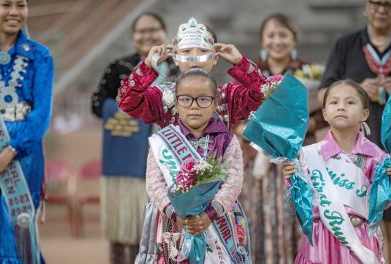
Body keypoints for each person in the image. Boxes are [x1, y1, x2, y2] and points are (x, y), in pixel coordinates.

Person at [318, 1, 391, 263]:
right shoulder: (346, 45)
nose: (382, 9)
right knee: (355, 222)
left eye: (390, 4)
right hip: (352, 150)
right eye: (376, 2)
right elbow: (322, 95)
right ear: (366, 5)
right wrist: (357, 90)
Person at [235, 13, 326, 263]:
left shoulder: (310, 73)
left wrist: (297, 129)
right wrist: (253, 130)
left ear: (293, 39)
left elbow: (321, 115)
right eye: (271, 35)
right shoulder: (249, 74)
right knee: (260, 215)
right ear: (263, 41)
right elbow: (237, 115)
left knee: (295, 214)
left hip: (296, 158)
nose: (277, 40)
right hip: (259, 158)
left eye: (283, 34)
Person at [91, 13, 177, 264]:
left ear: (164, 32)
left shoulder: (179, 67)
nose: (147, 35)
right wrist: (126, 112)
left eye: (153, 30)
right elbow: (96, 104)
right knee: (129, 229)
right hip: (128, 159)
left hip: (171, 159)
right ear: (132, 36)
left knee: (168, 229)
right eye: (141, 31)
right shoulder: (119, 67)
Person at [284, 80, 391, 263]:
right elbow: (300, 205)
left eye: (350, 102)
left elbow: (382, 204)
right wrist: (292, 180)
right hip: (321, 241)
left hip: (360, 240)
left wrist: (390, 182)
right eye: (334, 102)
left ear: (365, 114)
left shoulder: (378, 157)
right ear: (325, 114)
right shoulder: (308, 155)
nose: (341, 107)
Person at [146, 69, 250, 263]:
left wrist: (210, 213)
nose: (194, 106)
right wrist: (174, 212)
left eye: (203, 99)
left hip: (219, 220)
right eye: (186, 99)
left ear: (215, 103)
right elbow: (154, 182)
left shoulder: (226, 139)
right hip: (176, 223)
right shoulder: (162, 141)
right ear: (176, 103)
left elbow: (233, 179)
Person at [0, 0, 54, 263]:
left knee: (16, 230)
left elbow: (41, 116)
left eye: (21, 5)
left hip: (24, 153)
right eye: (6, 4)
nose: (14, 12)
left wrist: (10, 151)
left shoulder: (40, 56)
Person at [117, 17, 279, 130]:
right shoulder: (161, 96)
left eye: (202, 51)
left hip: (223, 176)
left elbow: (265, 96)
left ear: (215, 58)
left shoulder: (229, 96)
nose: (195, 58)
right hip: (172, 175)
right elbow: (127, 103)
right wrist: (147, 66)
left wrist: (240, 62)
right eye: (186, 51)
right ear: (176, 59)